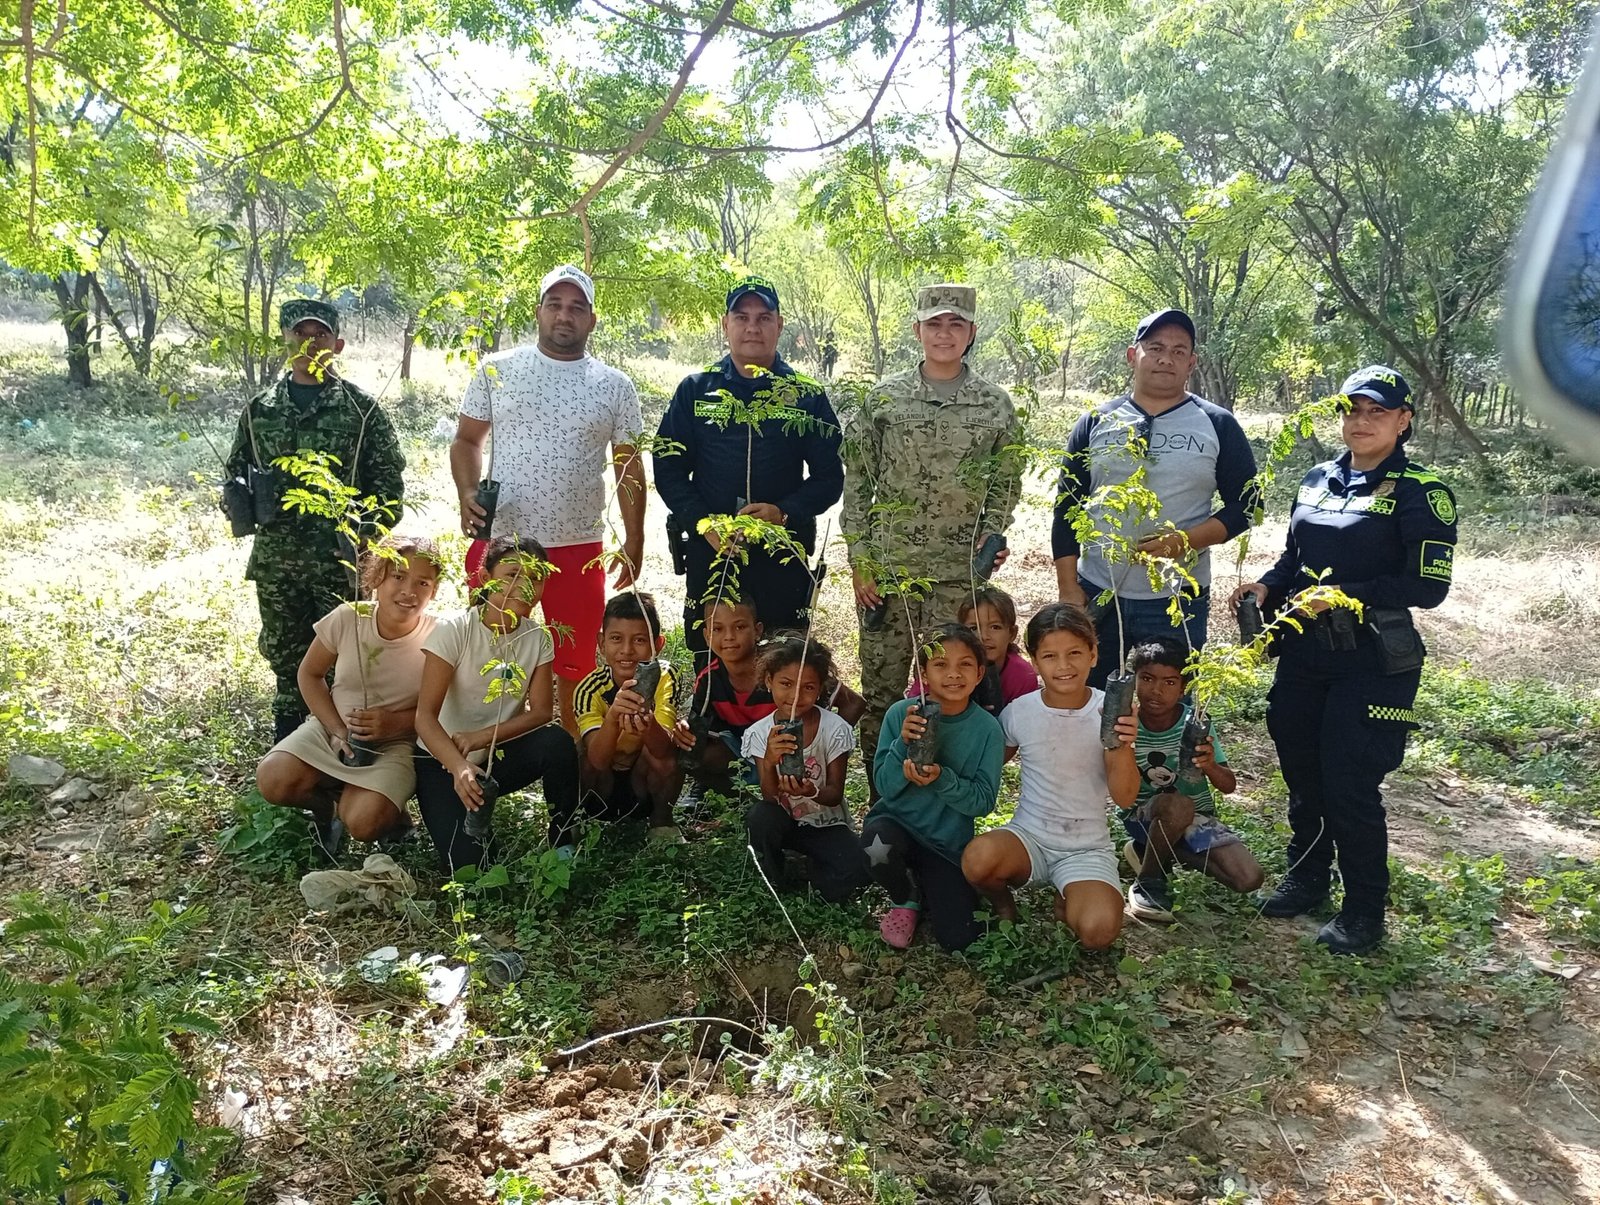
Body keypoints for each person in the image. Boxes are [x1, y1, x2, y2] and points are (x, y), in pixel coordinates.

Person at [1230, 366, 1456, 955]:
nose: (1360, 421)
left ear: (1404, 421)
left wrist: (1349, 593)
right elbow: (1294, 560)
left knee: (1349, 781)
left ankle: (1363, 911)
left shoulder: (1421, 491)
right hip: (1305, 650)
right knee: (1303, 770)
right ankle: (1307, 877)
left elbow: (1427, 587)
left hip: (1371, 659)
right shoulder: (1318, 479)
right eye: (1352, 410)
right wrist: (1265, 588)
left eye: (1376, 411)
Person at [451, 264, 646, 736]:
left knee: (575, 661)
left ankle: (573, 757)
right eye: (555, 305)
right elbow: (466, 441)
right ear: (538, 311)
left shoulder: (614, 385)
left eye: (577, 307)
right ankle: (482, 747)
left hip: (578, 546)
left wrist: (635, 539)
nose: (565, 315)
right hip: (502, 544)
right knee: (490, 650)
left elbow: (629, 466)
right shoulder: (496, 370)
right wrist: (466, 494)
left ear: (592, 320)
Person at [844, 284, 1024, 788]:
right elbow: (858, 481)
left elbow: (1007, 482)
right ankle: (884, 796)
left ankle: (941, 791)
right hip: (889, 573)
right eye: (934, 323)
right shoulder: (884, 400)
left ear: (971, 332)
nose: (944, 334)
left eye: (956, 324)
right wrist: (862, 559)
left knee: (949, 689)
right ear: (917, 330)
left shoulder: (994, 405)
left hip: (957, 578)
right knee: (882, 689)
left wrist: (989, 541)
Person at [226, 299, 406, 743]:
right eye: (300, 333)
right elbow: (235, 475)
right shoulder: (259, 411)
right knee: (288, 663)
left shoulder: (362, 411)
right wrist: (242, 502)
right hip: (277, 563)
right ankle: (289, 749)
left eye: (320, 334)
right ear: (285, 340)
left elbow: (389, 490)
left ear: (337, 344)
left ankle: (347, 751)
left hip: (339, 565)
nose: (310, 343)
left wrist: (362, 540)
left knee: (348, 661)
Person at [1051, 307, 1259, 687]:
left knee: (1167, 708)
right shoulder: (1097, 422)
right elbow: (1067, 506)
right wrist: (1069, 588)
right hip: (1099, 592)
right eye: (1155, 347)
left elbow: (1247, 505)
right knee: (1091, 701)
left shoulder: (1217, 424)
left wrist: (1183, 541)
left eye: (1180, 351)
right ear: (1133, 355)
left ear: (1192, 363)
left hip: (1177, 598)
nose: (1167, 358)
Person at [653, 275, 844, 656]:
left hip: (781, 554)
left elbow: (829, 479)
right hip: (714, 552)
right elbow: (668, 468)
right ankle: (715, 715)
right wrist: (703, 522)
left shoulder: (805, 396)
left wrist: (784, 513)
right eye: (741, 317)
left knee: (783, 656)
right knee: (711, 656)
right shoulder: (696, 390)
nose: (752, 327)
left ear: (780, 325)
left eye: (763, 317)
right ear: (726, 325)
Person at [962, 604, 1137, 951]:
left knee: (1098, 933)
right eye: (1050, 655)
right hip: (1029, 838)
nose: (1064, 666)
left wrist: (1121, 745)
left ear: (1093, 654)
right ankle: (1004, 905)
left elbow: (1125, 797)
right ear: (1035, 661)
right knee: (978, 859)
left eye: (1074, 653)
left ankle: (1069, 891)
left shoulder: (1112, 712)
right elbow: (986, 765)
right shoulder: (1020, 712)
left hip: (1086, 849)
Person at [255, 535, 441, 858]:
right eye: (398, 576)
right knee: (273, 778)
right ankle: (327, 808)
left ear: (434, 590)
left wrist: (394, 724)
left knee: (363, 823)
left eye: (422, 583)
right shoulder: (348, 617)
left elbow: (445, 707)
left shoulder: (440, 636)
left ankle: (384, 814)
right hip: (333, 731)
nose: (409, 591)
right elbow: (309, 675)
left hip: (395, 744)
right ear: (376, 577)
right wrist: (338, 729)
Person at [413, 536, 580, 872]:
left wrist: (482, 737)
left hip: (497, 753)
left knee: (558, 742)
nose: (524, 586)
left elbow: (543, 712)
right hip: (442, 760)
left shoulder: (538, 637)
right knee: (469, 868)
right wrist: (459, 766)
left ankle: (564, 838)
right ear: (487, 578)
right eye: (512, 574)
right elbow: (424, 718)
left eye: (536, 577)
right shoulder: (455, 631)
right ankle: (474, 830)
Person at [860, 625, 1005, 952]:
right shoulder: (902, 714)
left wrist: (943, 779)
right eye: (940, 665)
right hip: (897, 826)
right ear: (923, 673)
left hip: (945, 845)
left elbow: (983, 801)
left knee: (958, 939)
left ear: (980, 673)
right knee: (875, 847)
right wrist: (903, 743)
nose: (953, 674)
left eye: (965, 664)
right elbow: (884, 785)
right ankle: (905, 896)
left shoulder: (987, 730)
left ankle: (932, 884)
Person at [1121, 638, 1263, 923]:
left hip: (1196, 817)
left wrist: (1209, 764)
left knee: (1249, 878)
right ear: (1133, 680)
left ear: (1184, 688)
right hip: (1142, 816)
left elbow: (1228, 785)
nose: (1156, 690)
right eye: (1146, 679)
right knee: (1179, 806)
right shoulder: (1126, 722)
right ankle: (1149, 880)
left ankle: (1150, 852)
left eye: (1170, 682)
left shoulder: (1196, 723)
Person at [743, 637, 869, 902]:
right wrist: (768, 760)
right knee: (760, 816)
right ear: (769, 682)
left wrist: (812, 791)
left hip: (826, 824)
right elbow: (769, 796)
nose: (795, 696)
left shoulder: (833, 729)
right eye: (785, 684)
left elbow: (834, 794)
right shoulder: (759, 733)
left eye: (808, 687)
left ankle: (810, 873)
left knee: (859, 868)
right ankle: (774, 877)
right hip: (785, 821)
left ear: (821, 688)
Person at [574, 592, 686, 841]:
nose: (626, 650)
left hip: (643, 780)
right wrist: (613, 717)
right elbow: (597, 761)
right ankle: (581, 823)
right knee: (580, 754)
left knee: (677, 747)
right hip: (603, 785)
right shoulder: (589, 689)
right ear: (601, 644)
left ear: (657, 645)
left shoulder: (665, 676)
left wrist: (646, 723)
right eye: (616, 639)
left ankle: (661, 823)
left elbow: (662, 751)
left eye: (639, 640)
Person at [680, 598, 774, 793]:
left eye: (739, 627)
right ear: (706, 636)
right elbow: (699, 728)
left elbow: (852, 704)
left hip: (781, 753)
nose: (729, 637)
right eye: (717, 629)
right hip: (737, 751)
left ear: (757, 630)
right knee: (687, 748)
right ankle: (737, 798)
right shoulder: (708, 678)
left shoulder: (779, 669)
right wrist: (683, 730)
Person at [905, 586, 1037, 716]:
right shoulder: (940, 666)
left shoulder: (1022, 675)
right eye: (973, 628)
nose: (983, 636)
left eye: (995, 627)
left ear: (1012, 633)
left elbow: (1022, 724)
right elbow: (913, 710)